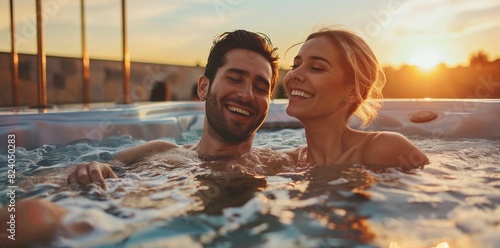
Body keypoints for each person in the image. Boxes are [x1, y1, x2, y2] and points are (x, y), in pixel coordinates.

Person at [0, 29, 285, 247]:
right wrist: (84, 173)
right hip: (101, 222)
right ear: (203, 87)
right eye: (235, 78)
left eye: (261, 87)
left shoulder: (274, 165)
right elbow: (36, 182)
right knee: (27, 214)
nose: (247, 95)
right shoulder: (158, 149)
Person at [283, 28, 429, 168]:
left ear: (353, 92)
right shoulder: (287, 162)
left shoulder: (384, 147)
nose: (294, 74)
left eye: (316, 68)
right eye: (295, 65)